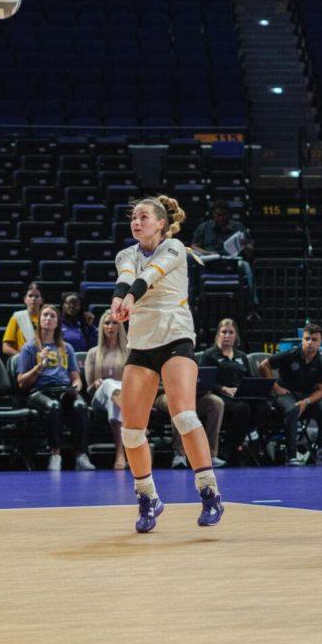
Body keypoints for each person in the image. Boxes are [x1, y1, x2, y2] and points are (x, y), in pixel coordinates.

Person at [110, 195, 223, 532]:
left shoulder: (174, 247)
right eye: (134, 217)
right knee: (131, 431)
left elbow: (150, 276)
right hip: (142, 344)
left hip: (175, 337)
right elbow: (127, 276)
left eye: (144, 217)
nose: (137, 222)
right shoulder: (125, 254)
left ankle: (209, 491)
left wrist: (130, 296)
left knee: (184, 414)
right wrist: (118, 299)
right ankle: (148, 497)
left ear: (160, 223)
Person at [16, 305, 94, 471]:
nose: (48, 319)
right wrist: (40, 366)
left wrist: (77, 386)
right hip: (39, 391)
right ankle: (55, 454)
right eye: (45, 315)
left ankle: (81, 455)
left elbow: (75, 377)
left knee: (81, 406)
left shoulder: (67, 348)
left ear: (58, 322)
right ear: (39, 320)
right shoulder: (30, 348)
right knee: (53, 407)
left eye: (52, 316)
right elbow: (22, 382)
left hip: (64, 389)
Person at [259, 324, 322, 466]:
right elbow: (263, 365)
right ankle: (291, 455)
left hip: (307, 398)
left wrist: (307, 401)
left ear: (320, 342)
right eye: (307, 339)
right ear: (302, 340)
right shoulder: (290, 354)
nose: (310, 342)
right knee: (292, 409)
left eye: (314, 339)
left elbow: (321, 389)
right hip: (286, 394)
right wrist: (275, 387)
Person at [197, 319, 260, 464]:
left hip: (240, 394)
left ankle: (244, 433)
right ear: (218, 334)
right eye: (224, 332)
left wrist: (247, 389)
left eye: (230, 332)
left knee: (264, 407)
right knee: (243, 408)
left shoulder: (242, 356)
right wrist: (223, 388)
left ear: (236, 336)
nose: (227, 335)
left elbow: (249, 378)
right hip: (220, 395)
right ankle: (235, 448)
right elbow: (202, 380)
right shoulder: (209, 355)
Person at [189, 200, 258, 315]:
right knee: (192, 263)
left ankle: (253, 304)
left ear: (228, 215)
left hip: (233, 263)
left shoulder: (238, 227)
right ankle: (193, 303)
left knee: (246, 266)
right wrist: (207, 253)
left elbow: (250, 252)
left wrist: (244, 244)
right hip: (210, 262)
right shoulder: (205, 227)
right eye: (217, 215)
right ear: (213, 214)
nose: (220, 218)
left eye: (223, 215)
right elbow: (194, 247)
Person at [85, 310, 129, 470]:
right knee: (109, 384)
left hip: (121, 397)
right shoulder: (93, 353)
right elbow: (89, 388)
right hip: (98, 398)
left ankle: (120, 454)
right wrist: (96, 383)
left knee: (115, 400)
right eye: (107, 323)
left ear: (120, 326)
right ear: (102, 327)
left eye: (114, 323)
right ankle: (134, 420)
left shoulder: (128, 351)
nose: (110, 326)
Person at [2, 282, 43, 357]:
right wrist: (23, 357)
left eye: (36, 296)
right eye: (30, 296)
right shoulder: (17, 317)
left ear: (41, 300)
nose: (33, 299)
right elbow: (6, 348)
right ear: (25, 299)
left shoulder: (46, 318)